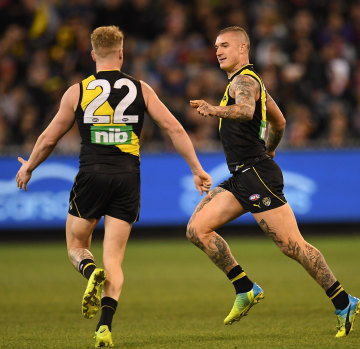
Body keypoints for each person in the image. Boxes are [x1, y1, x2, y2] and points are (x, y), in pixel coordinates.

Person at [16, 25, 212, 347]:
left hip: (92, 175)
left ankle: (88, 270)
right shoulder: (141, 89)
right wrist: (197, 169)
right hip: (127, 179)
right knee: (115, 260)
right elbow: (174, 128)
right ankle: (104, 327)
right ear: (121, 53)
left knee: (77, 246)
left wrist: (30, 168)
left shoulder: (77, 91)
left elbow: (50, 137)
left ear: (93, 54)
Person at [187, 26, 360, 338]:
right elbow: (279, 121)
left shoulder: (244, 80)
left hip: (256, 176)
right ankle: (245, 287)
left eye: (225, 45)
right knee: (197, 228)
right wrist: (270, 147)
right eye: (216, 46)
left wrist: (214, 110)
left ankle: (343, 300)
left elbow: (245, 110)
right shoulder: (250, 83)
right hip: (244, 175)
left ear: (243, 49)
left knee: (292, 245)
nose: (218, 51)